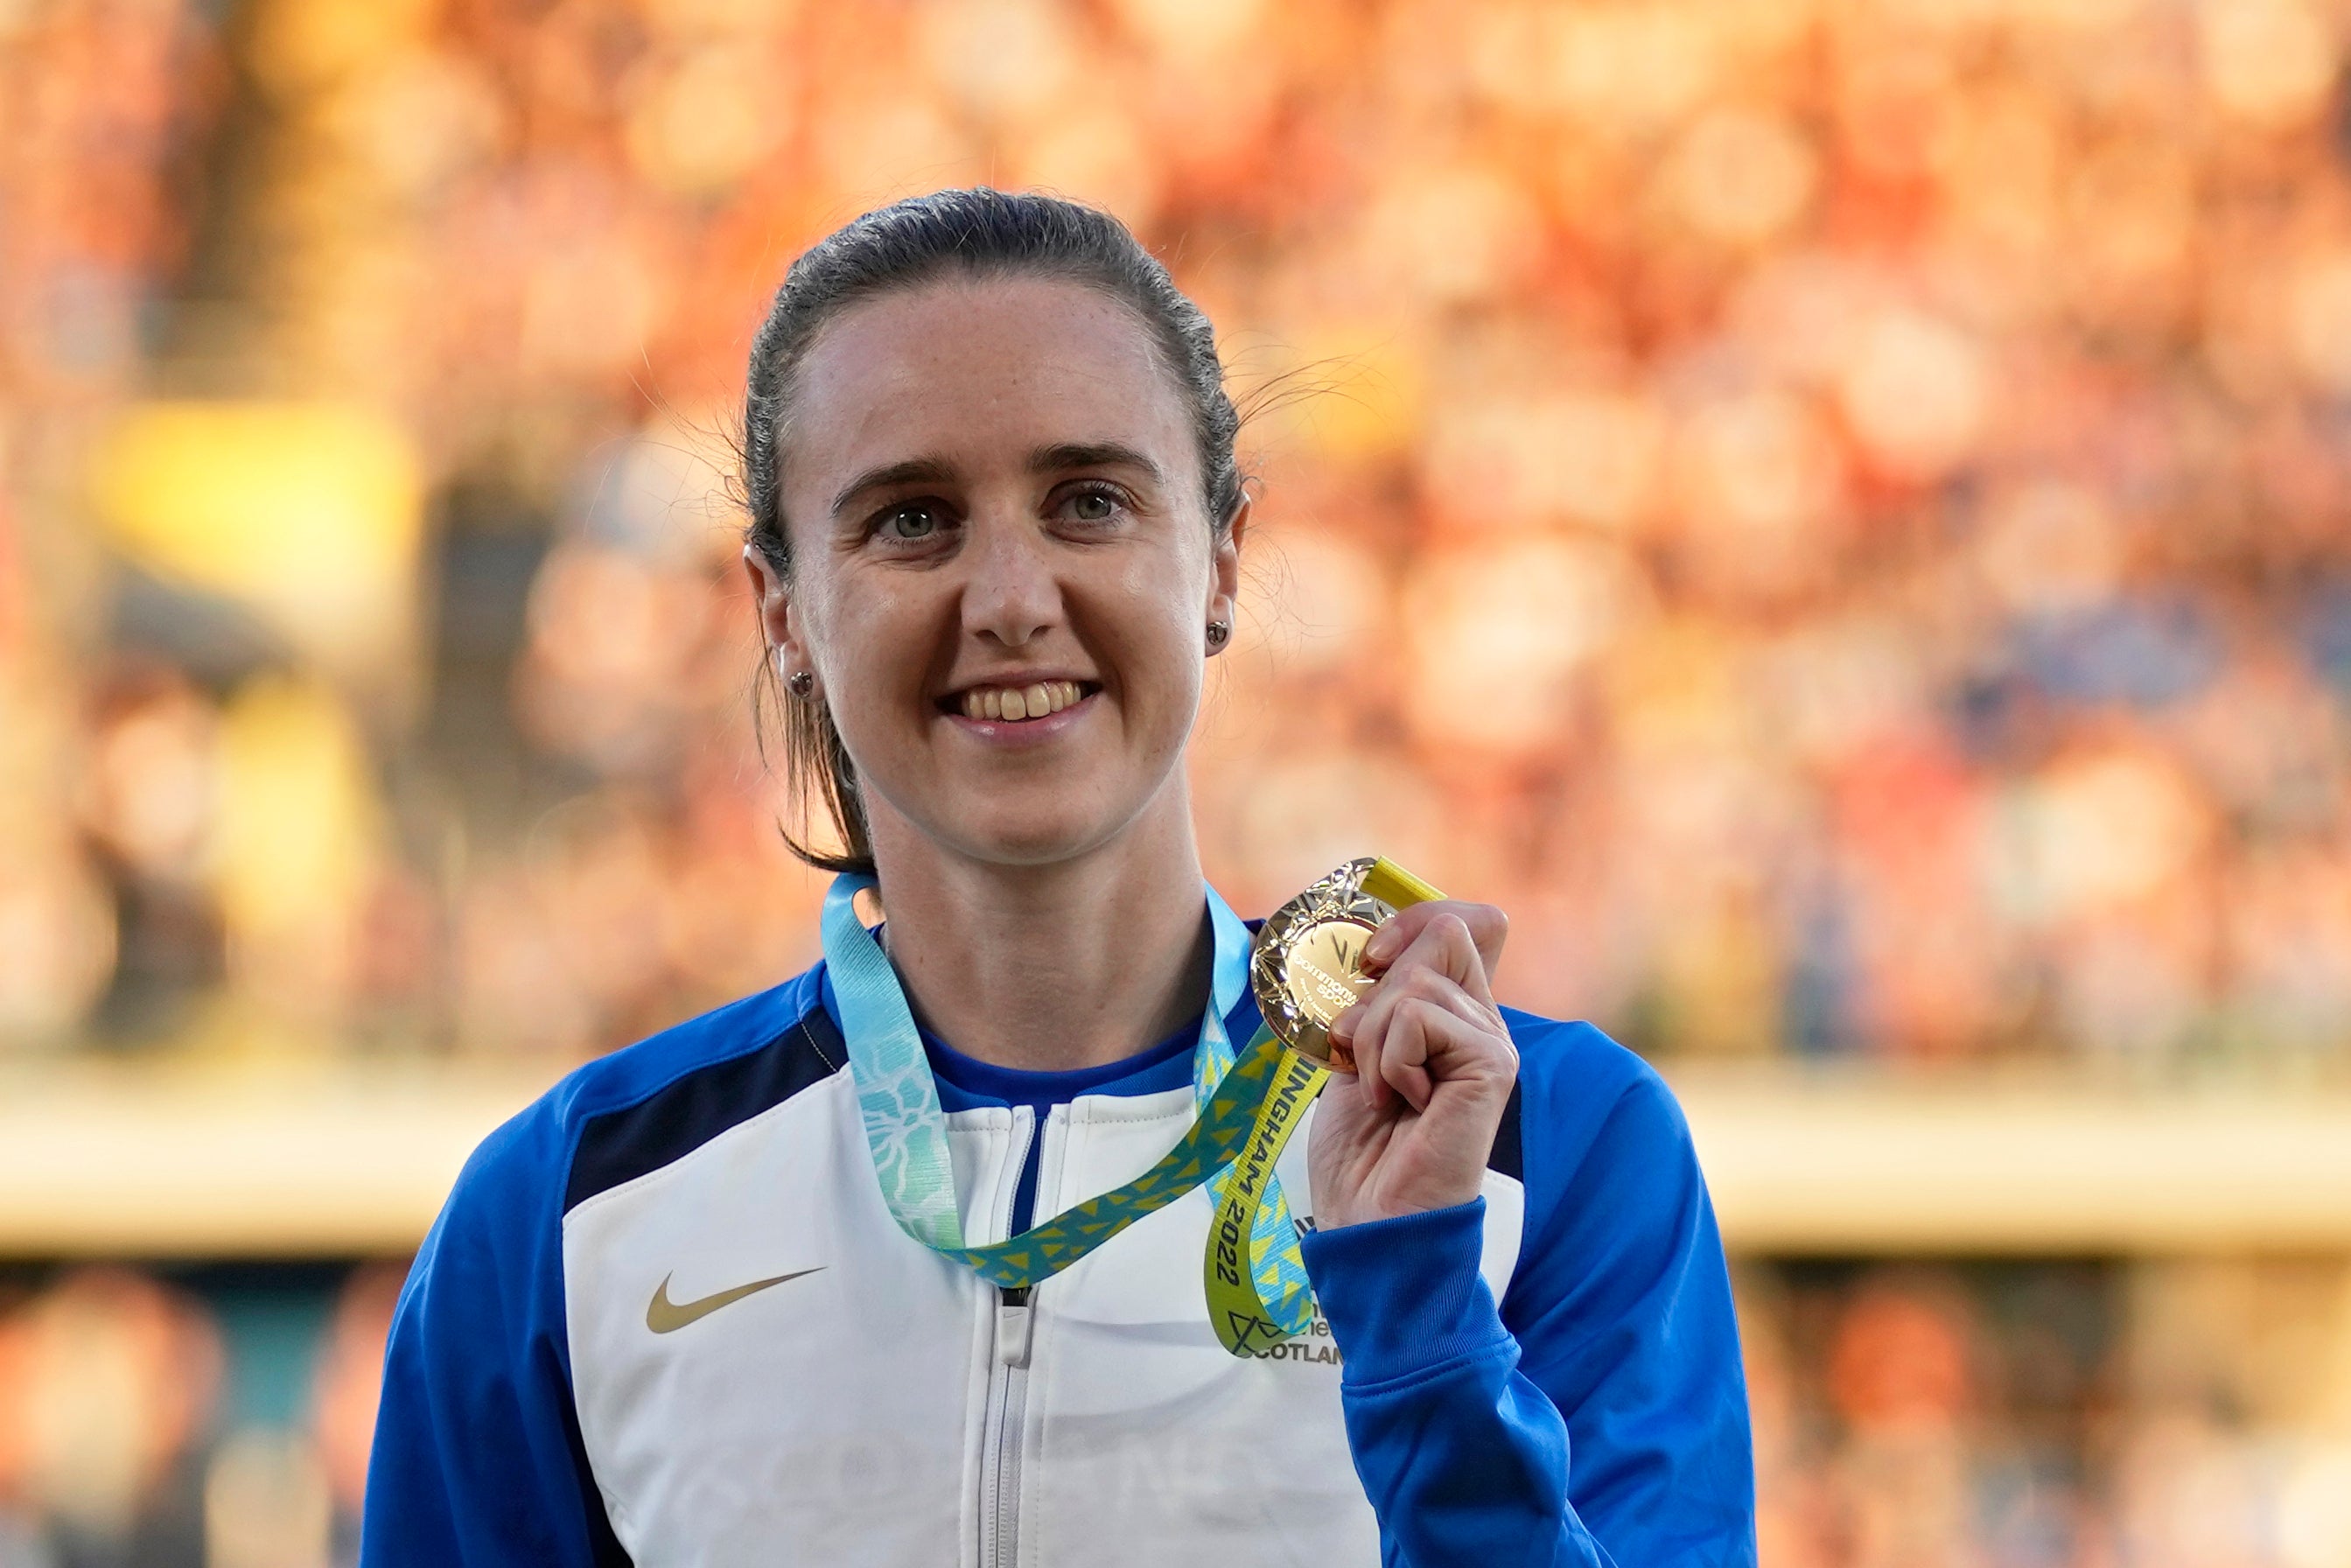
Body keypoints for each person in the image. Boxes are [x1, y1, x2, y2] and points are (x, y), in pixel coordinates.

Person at [361, 188, 1755, 1566]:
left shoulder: (1542, 1146)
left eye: (1088, 501)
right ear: (780, 608)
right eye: (911, 520)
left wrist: (1420, 1322)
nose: (1012, 598)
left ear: (1220, 559)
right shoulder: (569, 1214)